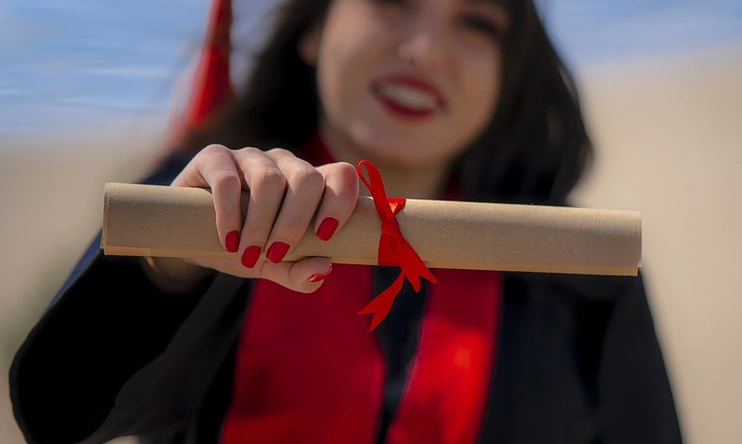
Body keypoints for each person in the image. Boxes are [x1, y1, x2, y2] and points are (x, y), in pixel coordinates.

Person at [8, 0, 684, 443]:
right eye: (393, 1)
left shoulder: (574, 275)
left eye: (478, 23)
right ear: (313, 27)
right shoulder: (212, 204)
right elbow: (57, 409)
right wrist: (169, 267)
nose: (426, 51)